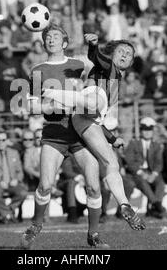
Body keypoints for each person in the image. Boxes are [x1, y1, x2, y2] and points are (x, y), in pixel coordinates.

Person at [21, 24, 114, 249]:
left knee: (93, 186)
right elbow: (32, 106)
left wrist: (94, 45)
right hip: (54, 132)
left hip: (82, 131)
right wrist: (58, 102)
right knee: (44, 185)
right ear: (44, 44)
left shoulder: (79, 64)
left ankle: (93, 234)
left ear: (64, 43)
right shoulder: (37, 70)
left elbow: (103, 68)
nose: (51, 39)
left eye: (55, 36)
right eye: (48, 37)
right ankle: (35, 226)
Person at [45, 32, 146, 230]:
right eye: (121, 51)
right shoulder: (108, 66)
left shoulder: (116, 79)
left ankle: (124, 204)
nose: (125, 55)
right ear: (112, 54)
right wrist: (94, 45)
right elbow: (96, 58)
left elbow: (98, 120)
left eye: (129, 54)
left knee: (112, 163)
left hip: (89, 119)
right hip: (89, 105)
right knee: (95, 101)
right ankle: (54, 93)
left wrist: (112, 138)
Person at [124, 117, 165, 219]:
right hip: (137, 173)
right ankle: (157, 205)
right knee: (143, 182)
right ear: (141, 130)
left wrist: (154, 174)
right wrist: (142, 173)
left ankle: (155, 207)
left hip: (151, 172)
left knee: (160, 182)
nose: (147, 132)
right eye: (144, 130)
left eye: (149, 130)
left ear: (152, 131)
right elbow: (129, 161)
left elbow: (159, 163)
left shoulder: (156, 145)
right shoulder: (133, 143)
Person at [0, 131, 27, 224]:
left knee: (23, 193)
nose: (1, 142)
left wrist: (17, 179)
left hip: (13, 183)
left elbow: (20, 172)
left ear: (7, 141)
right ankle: (8, 215)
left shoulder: (14, 153)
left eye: (3, 140)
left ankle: (6, 213)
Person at [57, 154, 86, 224]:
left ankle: (99, 214)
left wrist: (86, 179)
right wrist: (80, 178)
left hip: (84, 180)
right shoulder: (68, 156)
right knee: (72, 183)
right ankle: (73, 214)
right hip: (65, 182)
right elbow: (68, 172)